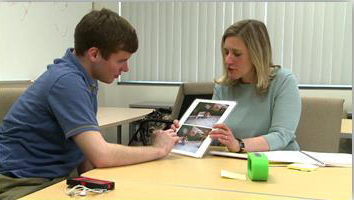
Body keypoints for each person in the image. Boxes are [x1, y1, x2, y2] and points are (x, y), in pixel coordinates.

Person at [0, 8, 179, 199]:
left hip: (48, 179)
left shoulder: (85, 78)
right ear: (94, 54)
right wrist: (157, 149)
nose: (125, 68)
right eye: (121, 60)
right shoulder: (67, 81)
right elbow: (101, 155)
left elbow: (86, 158)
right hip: (19, 183)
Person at [173, 19, 301, 153]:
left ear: (257, 55)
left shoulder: (283, 81)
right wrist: (183, 133)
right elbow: (214, 135)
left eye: (237, 54)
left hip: (277, 163)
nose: (228, 60)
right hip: (234, 160)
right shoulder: (223, 87)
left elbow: (281, 136)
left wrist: (239, 145)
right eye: (226, 52)